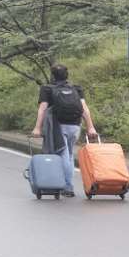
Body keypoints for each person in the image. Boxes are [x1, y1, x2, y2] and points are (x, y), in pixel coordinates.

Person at [31, 64, 98, 197]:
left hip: (58, 126)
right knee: (68, 154)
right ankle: (65, 183)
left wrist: (37, 128)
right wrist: (90, 126)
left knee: (63, 155)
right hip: (75, 126)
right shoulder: (76, 88)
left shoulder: (47, 89)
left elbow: (43, 109)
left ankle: (68, 187)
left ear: (52, 76)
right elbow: (84, 108)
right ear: (67, 75)